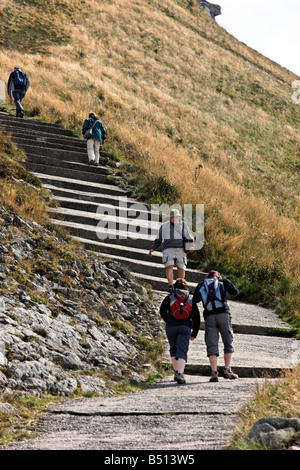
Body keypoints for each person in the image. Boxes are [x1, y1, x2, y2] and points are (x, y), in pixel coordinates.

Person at [192, 270, 239, 382]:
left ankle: (214, 373)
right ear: (218, 275)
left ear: (207, 277)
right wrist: (224, 282)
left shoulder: (201, 284)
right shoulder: (223, 281)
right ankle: (227, 370)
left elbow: (195, 300)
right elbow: (235, 292)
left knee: (212, 344)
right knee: (228, 342)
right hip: (223, 314)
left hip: (209, 317)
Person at [160, 278, 200, 384]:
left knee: (173, 348)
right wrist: (194, 333)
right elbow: (197, 317)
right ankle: (180, 373)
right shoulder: (190, 299)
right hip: (185, 327)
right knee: (182, 350)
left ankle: (176, 372)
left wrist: (168, 320)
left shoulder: (170, 297)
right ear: (186, 288)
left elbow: (162, 310)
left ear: (174, 287)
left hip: (171, 327)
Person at [149, 209, 194, 292]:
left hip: (181, 249)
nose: (177, 218)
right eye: (175, 217)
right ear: (171, 218)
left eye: (178, 217)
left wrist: (191, 246)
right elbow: (158, 239)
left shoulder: (184, 225)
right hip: (168, 248)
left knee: (181, 268)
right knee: (169, 266)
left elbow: (190, 238)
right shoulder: (165, 226)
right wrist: (153, 248)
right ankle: (170, 286)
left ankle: (180, 286)